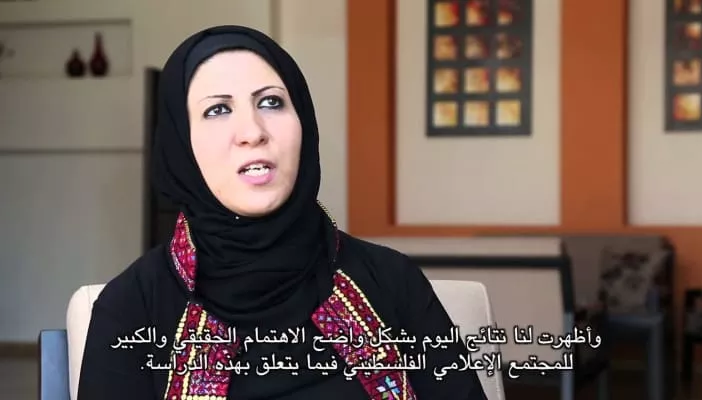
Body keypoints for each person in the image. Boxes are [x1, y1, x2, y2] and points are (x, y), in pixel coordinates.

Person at [77, 25, 488, 400]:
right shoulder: (132, 309)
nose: (253, 132)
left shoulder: (392, 282)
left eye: (271, 102)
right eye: (218, 109)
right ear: (180, 143)